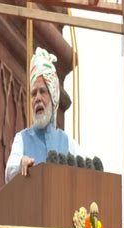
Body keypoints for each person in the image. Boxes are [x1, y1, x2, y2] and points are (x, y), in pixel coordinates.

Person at [5, 47, 79, 183]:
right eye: (34, 94)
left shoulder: (68, 143)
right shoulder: (22, 138)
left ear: (53, 98)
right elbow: (10, 171)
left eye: (42, 91)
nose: (37, 98)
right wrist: (22, 163)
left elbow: (85, 172)